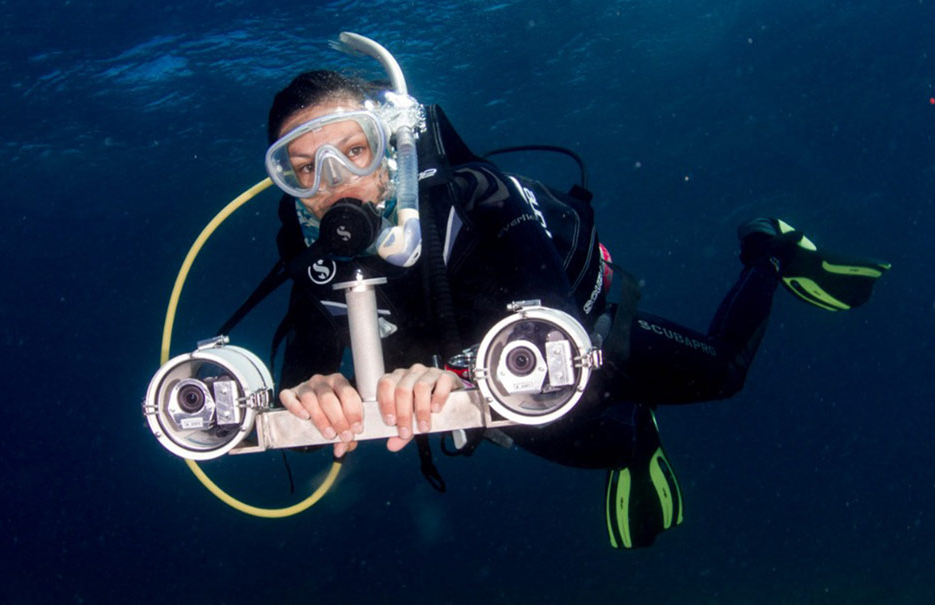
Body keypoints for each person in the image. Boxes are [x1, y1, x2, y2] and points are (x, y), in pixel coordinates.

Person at [254, 69, 889, 548]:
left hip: (591, 344)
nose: (332, 182)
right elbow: (303, 383)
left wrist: (451, 378)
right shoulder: (317, 260)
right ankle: (638, 439)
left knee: (726, 374)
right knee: (608, 446)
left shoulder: (480, 200)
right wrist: (315, 398)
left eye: (353, 151)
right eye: (303, 169)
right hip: (512, 407)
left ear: (392, 145)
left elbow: (556, 335)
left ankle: (768, 251)